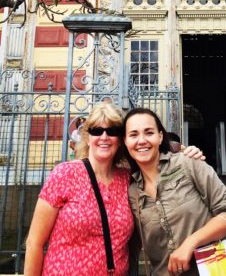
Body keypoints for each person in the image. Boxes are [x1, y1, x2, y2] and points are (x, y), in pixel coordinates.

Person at [24, 103, 204, 276]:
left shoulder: (127, 178)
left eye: (112, 131)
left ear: (120, 140)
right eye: (96, 130)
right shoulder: (65, 174)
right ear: (88, 137)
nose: (104, 137)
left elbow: (153, 152)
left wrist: (185, 151)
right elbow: (34, 243)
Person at [123, 108, 226, 276]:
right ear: (125, 141)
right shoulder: (131, 192)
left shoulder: (188, 163)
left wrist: (191, 242)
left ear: (161, 136)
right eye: (133, 135)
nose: (142, 140)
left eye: (149, 132)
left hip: (212, 271)